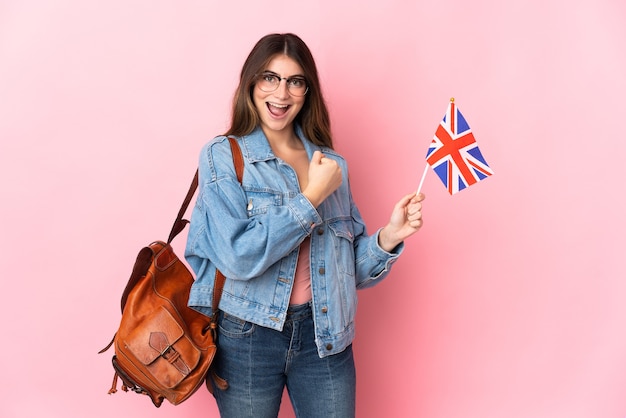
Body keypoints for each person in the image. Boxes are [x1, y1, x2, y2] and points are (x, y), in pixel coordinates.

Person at [184, 32, 425, 418]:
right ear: (251, 83)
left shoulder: (331, 165)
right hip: (247, 335)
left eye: (295, 81)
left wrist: (389, 236)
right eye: (270, 78)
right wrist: (311, 198)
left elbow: (348, 272)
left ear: (307, 90)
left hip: (325, 337)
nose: (281, 93)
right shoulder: (223, 155)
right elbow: (238, 256)